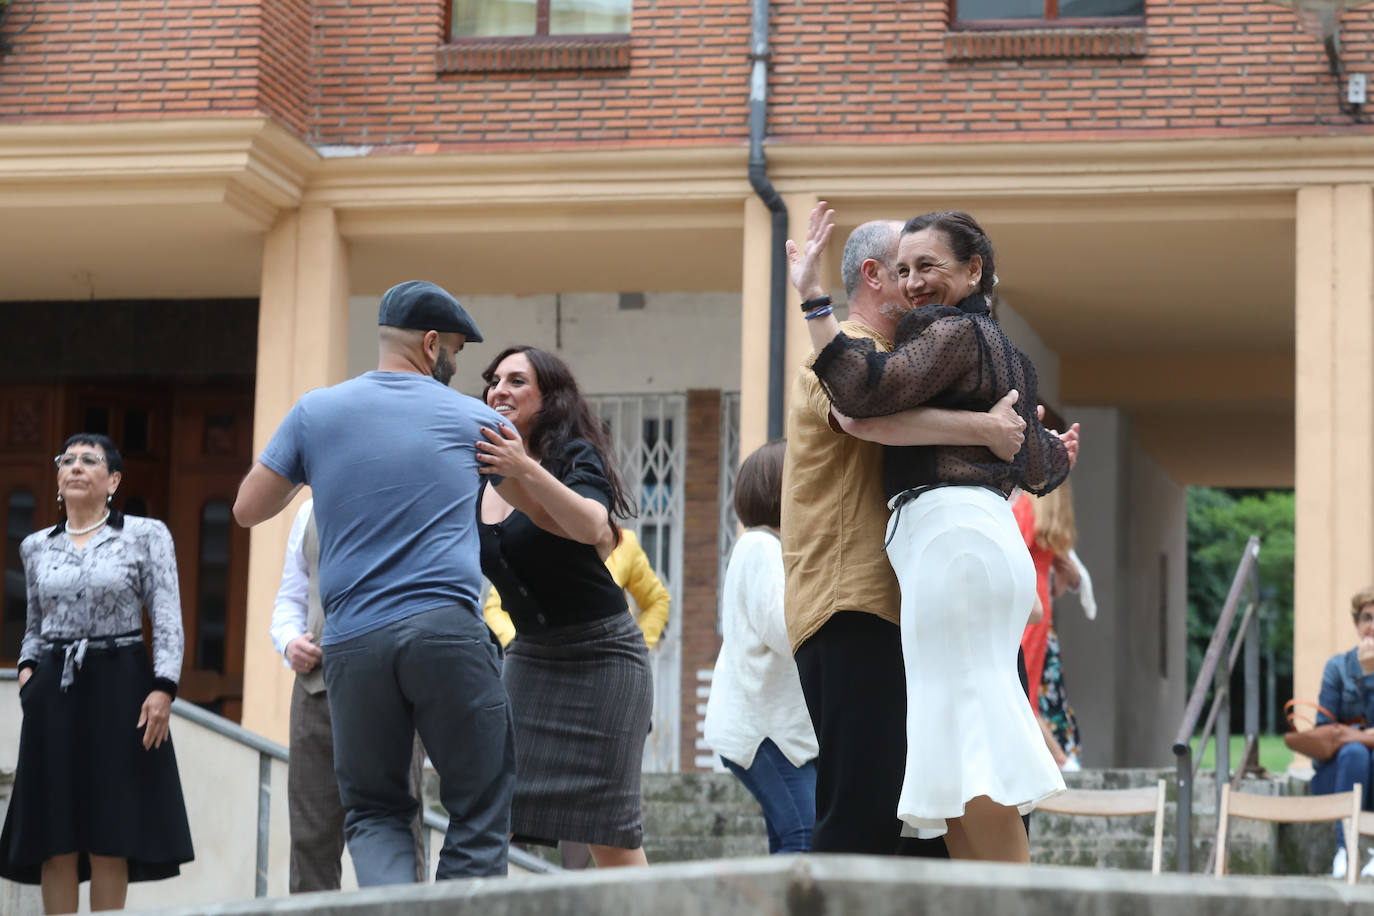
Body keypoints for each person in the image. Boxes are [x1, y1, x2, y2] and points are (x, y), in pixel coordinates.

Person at [791, 203, 1077, 862]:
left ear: (973, 270)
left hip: (942, 563)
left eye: (928, 265)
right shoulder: (945, 345)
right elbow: (1030, 460)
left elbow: (861, 400)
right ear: (876, 273)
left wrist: (810, 298)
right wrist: (999, 434)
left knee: (966, 756)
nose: (915, 279)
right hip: (896, 587)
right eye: (904, 266)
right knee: (953, 760)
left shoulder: (946, 340)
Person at [233, 280, 516, 885]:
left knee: (376, 813)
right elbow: (527, 510)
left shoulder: (316, 411)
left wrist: (323, 466)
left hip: (352, 644)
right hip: (445, 631)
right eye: (457, 355)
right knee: (480, 806)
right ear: (432, 343)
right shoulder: (478, 419)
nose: (456, 367)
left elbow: (247, 509)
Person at [0, 434, 194, 914]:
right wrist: (28, 674)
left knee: (112, 832)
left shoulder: (146, 535)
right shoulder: (36, 546)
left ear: (114, 480)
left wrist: (164, 687)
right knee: (54, 835)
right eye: (68, 460)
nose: (77, 468)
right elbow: (34, 627)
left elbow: (167, 617)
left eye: (91, 460)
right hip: (54, 690)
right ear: (59, 479)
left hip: (122, 684)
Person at [475, 345, 652, 868]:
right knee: (494, 811)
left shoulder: (574, 457)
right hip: (530, 658)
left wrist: (524, 469)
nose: (499, 390)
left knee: (610, 834)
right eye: (494, 380)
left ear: (548, 399)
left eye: (516, 381)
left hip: (604, 657)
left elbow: (592, 527)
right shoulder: (477, 471)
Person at [269, 498, 429, 890]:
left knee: (396, 832)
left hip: (393, 691)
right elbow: (291, 597)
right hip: (316, 690)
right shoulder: (310, 511)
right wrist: (289, 641)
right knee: (310, 840)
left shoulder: (415, 499)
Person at [703, 439, 819, 853]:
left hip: (773, 729)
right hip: (764, 732)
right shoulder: (761, 548)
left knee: (790, 838)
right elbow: (785, 629)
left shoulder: (768, 548)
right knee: (805, 837)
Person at [484, 527, 669, 649]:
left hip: (606, 661)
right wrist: (517, 647)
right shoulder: (532, 538)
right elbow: (495, 607)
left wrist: (636, 646)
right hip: (543, 659)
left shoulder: (624, 542)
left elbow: (656, 600)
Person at [1014, 481, 1083, 772]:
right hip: (1042, 601)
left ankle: (1060, 760)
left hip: (1024, 603)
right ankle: (1059, 760)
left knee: (1020, 690)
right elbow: (1062, 585)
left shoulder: (1024, 511)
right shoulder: (1052, 524)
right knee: (1025, 687)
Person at [1311, 586, 1374, 879]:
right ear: (1356, 624)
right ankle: (1346, 850)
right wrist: (1364, 737)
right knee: (1355, 752)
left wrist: (1370, 675)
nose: (1372, 625)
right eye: (1367, 617)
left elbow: (1339, 732)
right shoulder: (1337, 668)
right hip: (1337, 776)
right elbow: (1325, 732)